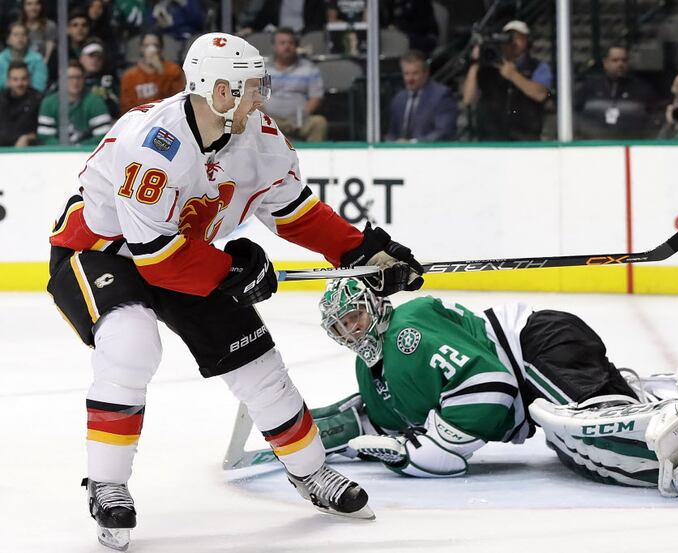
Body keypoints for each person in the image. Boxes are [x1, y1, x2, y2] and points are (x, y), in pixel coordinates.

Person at [46, 32, 423, 551]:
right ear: (219, 90)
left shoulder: (260, 138)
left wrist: (360, 254)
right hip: (101, 252)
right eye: (251, 86)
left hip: (186, 256)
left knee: (259, 366)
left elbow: (296, 213)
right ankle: (108, 484)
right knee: (131, 347)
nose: (259, 96)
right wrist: (235, 268)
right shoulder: (153, 144)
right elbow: (154, 257)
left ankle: (311, 473)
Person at [310, 278, 678, 495]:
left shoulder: (406, 333)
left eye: (356, 317)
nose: (353, 332)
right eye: (342, 327)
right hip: (542, 359)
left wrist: (439, 449)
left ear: (373, 306)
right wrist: (322, 431)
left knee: (584, 434)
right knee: (577, 454)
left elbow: (490, 384)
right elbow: (384, 418)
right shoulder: (372, 372)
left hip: (534, 352)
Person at [462, 20, 551, 141]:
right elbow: (468, 98)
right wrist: (475, 63)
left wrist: (514, 76)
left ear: (527, 41)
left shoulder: (538, 67)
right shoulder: (488, 67)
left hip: (525, 140)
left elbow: (541, 94)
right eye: (508, 37)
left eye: (518, 37)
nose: (512, 42)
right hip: (490, 140)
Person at [574, 45, 655, 139]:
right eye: (615, 60)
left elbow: (652, 120)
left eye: (624, 60)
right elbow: (574, 115)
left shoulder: (643, 90)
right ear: (605, 63)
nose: (620, 64)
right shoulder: (588, 88)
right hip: (593, 145)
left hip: (632, 145)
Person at [264, 27, 327, 142]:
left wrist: (299, 117)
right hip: (268, 120)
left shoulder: (309, 68)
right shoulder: (262, 69)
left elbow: (316, 97)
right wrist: (267, 119)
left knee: (319, 122)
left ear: (296, 46)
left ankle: (314, 158)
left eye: (291, 43)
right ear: (274, 46)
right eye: (282, 43)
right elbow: (254, 98)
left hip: (299, 121)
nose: (287, 46)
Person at [386, 49, 456, 142]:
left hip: (432, 154)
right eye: (406, 74)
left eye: (415, 73)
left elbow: (444, 132)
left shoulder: (441, 96)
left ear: (426, 73)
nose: (410, 79)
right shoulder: (399, 98)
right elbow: (392, 133)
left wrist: (413, 144)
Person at [37, 60, 112, 145]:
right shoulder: (49, 103)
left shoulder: (95, 102)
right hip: (57, 155)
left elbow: (103, 135)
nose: (75, 82)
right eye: (70, 78)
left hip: (87, 154)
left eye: (78, 77)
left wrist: (78, 148)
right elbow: (45, 137)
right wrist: (62, 150)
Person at [119, 31, 186, 114]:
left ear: (161, 48)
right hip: (139, 119)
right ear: (141, 48)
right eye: (146, 46)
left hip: (166, 116)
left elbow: (177, 100)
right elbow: (126, 107)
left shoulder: (172, 70)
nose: (151, 50)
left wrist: (161, 72)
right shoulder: (130, 76)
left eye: (155, 45)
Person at [0, 61, 42, 147]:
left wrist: (27, 137)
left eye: (23, 79)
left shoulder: (38, 100)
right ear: (8, 81)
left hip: (29, 151)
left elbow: (43, 132)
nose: (20, 83)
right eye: (15, 79)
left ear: (29, 80)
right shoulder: (1, 99)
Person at [0, 22, 47, 92]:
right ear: (8, 40)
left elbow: (39, 87)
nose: (20, 38)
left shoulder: (37, 59)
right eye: (16, 35)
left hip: (31, 99)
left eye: (23, 34)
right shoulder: (1, 59)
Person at [78, 40, 119, 118]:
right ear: (81, 58)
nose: (95, 60)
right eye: (91, 56)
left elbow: (116, 109)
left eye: (99, 57)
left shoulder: (109, 81)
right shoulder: (71, 78)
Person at [18, 0, 56, 66]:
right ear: (23, 7)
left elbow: (48, 56)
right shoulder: (17, 26)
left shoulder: (49, 26)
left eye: (37, 3)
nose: (33, 8)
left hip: (43, 66)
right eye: (29, 4)